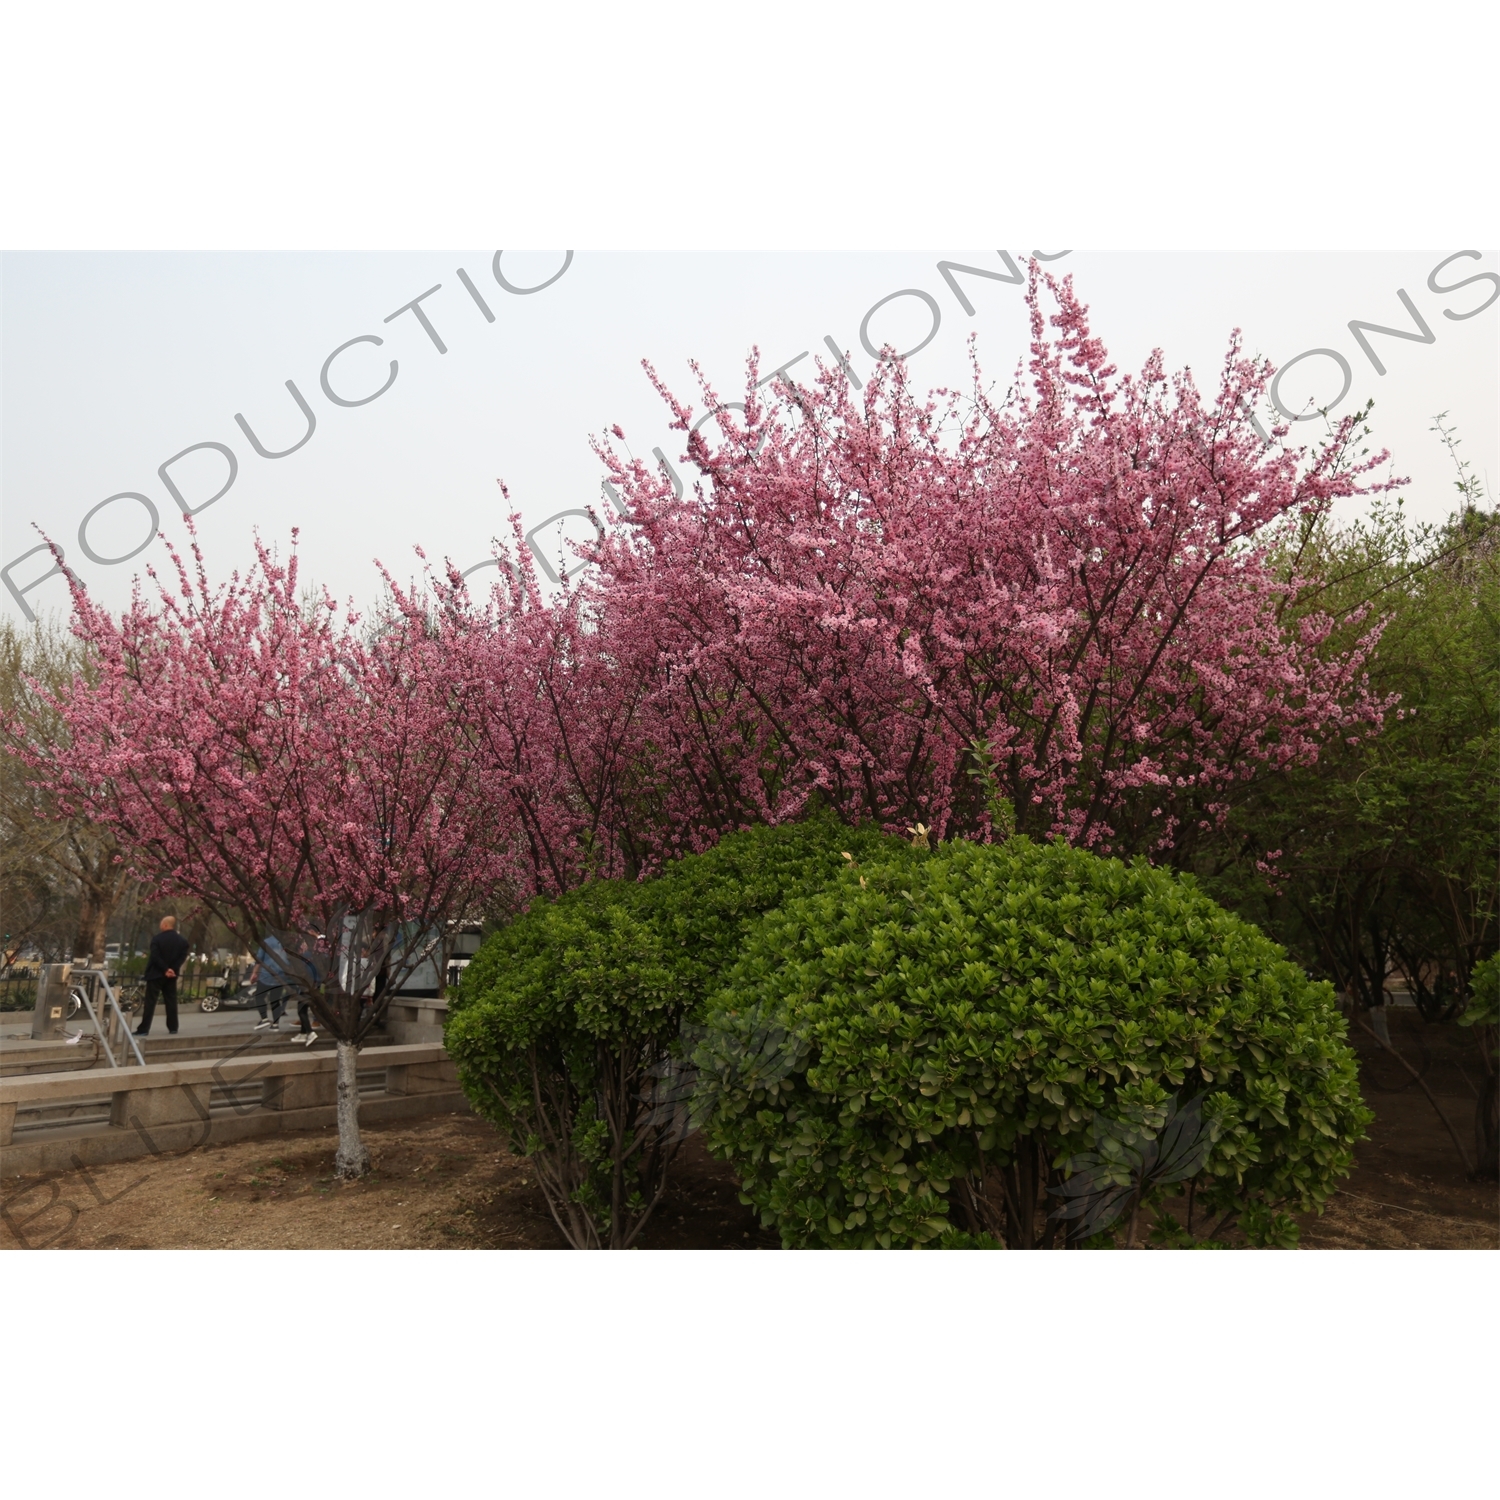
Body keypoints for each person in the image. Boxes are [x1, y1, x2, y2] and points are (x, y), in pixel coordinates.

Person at [135, 916, 190, 1036]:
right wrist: (172, 969)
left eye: (161, 923)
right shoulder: (182, 941)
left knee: (150, 1002)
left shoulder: (157, 939)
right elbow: (182, 957)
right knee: (171, 1001)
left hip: (155, 974)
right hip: (172, 976)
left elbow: (155, 956)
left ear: (165, 925)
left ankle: (144, 1029)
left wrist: (165, 969)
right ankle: (173, 1027)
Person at [250, 935, 291, 1032]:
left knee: (259, 996)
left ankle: (264, 1019)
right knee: (275, 1000)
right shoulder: (288, 942)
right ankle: (275, 1025)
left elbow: (259, 960)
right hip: (280, 977)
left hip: (266, 975)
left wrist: (254, 973)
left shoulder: (266, 942)